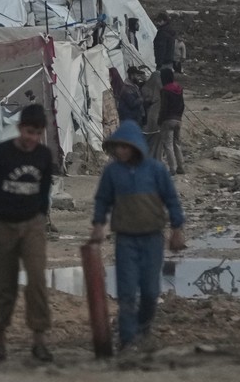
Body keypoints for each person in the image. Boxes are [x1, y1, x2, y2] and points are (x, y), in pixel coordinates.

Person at [89, 122, 186, 354]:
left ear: (135, 147)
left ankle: (143, 326)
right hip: (125, 240)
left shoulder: (156, 170)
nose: (120, 151)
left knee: (150, 292)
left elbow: (171, 200)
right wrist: (98, 225)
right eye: (117, 147)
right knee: (126, 292)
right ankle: (127, 339)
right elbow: (102, 200)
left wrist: (177, 228)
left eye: (125, 147)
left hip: (152, 238)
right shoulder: (112, 172)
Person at [0, 103, 55, 365]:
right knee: (3, 285)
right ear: (20, 129)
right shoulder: (0, 153)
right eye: (29, 132)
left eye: (37, 133)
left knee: (37, 280)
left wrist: (40, 217)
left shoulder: (44, 156)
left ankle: (39, 339)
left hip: (32, 224)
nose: (32, 138)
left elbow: (44, 192)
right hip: (1, 225)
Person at [156, 67, 185, 175]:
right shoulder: (179, 88)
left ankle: (172, 168)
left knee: (168, 145)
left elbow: (164, 107)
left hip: (168, 120)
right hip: (178, 119)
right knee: (177, 144)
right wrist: (179, 116)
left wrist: (160, 120)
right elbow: (182, 105)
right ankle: (181, 167)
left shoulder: (165, 90)